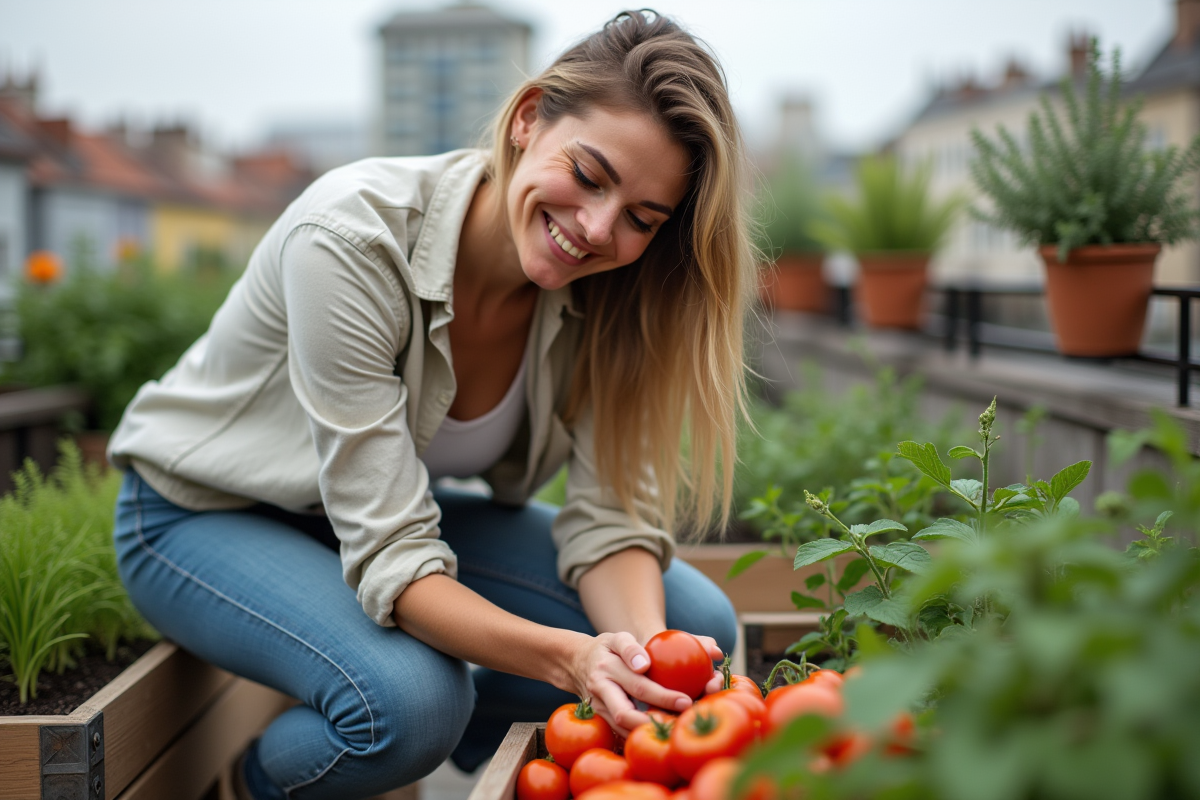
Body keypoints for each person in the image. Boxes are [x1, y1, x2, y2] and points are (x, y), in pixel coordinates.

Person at [108, 9, 757, 800]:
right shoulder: (350, 238)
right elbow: (395, 558)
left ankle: (488, 742)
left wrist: (650, 663)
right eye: (588, 176)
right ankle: (256, 787)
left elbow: (614, 517)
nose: (594, 229)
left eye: (640, 220)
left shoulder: (618, 297)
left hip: (368, 517)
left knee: (699, 625)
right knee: (412, 702)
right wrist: (570, 660)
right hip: (199, 514)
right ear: (526, 120)